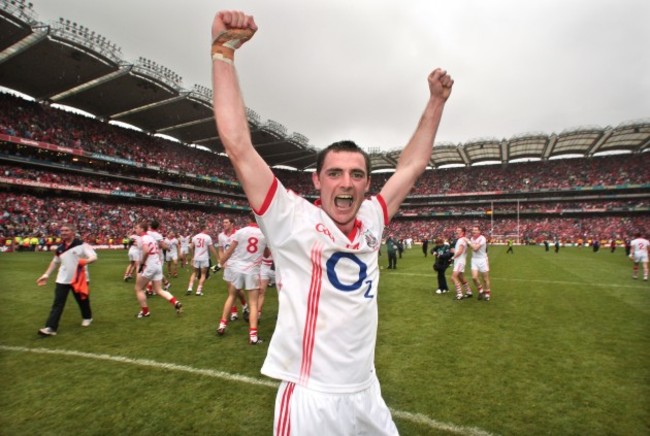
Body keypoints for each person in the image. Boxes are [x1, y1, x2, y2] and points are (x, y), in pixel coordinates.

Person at [211, 9, 453, 434]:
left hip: (366, 392)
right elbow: (238, 146)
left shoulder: (373, 218)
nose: (346, 183)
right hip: (311, 398)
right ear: (317, 181)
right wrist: (222, 53)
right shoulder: (289, 220)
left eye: (357, 175)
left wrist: (435, 102)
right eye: (335, 173)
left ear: (366, 184)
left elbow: (412, 166)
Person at [36, 224, 97, 336]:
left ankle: (87, 317)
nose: (63, 232)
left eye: (66, 230)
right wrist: (46, 274)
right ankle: (51, 327)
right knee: (58, 303)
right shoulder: (60, 248)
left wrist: (85, 261)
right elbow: (55, 262)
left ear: (73, 232)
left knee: (82, 300)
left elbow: (94, 257)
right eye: (62, 230)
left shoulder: (83, 245)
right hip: (62, 279)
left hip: (79, 279)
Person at [216, 216, 267, 344]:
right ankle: (253, 336)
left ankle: (222, 325)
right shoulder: (264, 234)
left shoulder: (240, 232)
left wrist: (219, 264)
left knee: (231, 296)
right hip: (253, 270)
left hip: (238, 268)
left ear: (249, 219)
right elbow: (266, 255)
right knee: (253, 303)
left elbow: (228, 252)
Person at [134, 221, 182, 318]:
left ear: (142, 229)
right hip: (157, 264)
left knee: (138, 289)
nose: (135, 229)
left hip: (149, 265)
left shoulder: (142, 238)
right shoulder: (151, 237)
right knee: (159, 289)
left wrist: (142, 263)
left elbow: (146, 251)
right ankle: (175, 302)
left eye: (137, 227)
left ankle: (145, 312)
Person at [217, 217, 249, 320]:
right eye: (223, 222)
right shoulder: (221, 236)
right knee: (230, 289)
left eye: (226, 222)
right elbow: (221, 249)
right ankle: (234, 312)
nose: (224, 224)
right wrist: (222, 261)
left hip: (237, 264)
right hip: (228, 265)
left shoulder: (238, 234)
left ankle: (244, 305)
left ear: (232, 223)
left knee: (237, 290)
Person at [186, 222, 219, 296]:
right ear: (204, 229)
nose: (208, 230)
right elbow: (212, 249)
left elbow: (190, 247)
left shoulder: (195, 237)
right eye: (207, 229)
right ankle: (198, 291)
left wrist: (193, 256)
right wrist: (217, 257)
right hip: (204, 258)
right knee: (203, 274)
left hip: (196, 258)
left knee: (194, 273)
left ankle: (190, 288)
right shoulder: (207, 237)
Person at [468, 225, 491, 301]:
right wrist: (471, 244)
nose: (473, 231)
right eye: (473, 230)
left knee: (485, 279)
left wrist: (468, 242)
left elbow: (475, 248)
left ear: (479, 231)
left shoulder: (482, 238)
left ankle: (487, 293)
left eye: (475, 230)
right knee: (474, 277)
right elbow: (473, 247)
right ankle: (481, 290)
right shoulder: (471, 238)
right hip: (474, 260)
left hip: (482, 259)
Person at [450, 227, 472, 300]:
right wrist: (454, 251)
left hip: (460, 261)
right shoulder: (462, 239)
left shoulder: (461, 240)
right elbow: (461, 250)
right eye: (457, 230)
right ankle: (469, 292)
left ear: (463, 232)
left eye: (459, 230)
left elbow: (460, 251)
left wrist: (453, 257)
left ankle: (459, 294)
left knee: (453, 277)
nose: (457, 231)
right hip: (460, 261)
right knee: (461, 278)